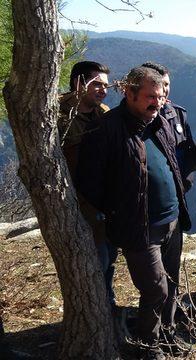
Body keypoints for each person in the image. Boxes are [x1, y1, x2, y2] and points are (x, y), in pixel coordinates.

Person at [76, 66, 191, 359]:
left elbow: (173, 163)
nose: (158, 102)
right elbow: (89, 183)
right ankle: (147, 346)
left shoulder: (159, 122)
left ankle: (166, 335)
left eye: (162, 96)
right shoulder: (106, 129)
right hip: (139, 227)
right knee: (156, 290)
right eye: (150, 96)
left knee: (171, 285)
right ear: (129, 93)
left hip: (172, 220)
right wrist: (119, 208)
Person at [57, 61, 118, 308]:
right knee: (98, 257)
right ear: (78, 83)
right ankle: (94, 305)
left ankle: (106, 299)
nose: (103, 90)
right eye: (97, 85)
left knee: (110, 253)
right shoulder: (58, 116)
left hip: (103, 197)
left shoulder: (102, 113)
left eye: (106, 86)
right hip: (77, 200)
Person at [141, 62, 196, 191]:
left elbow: (189, 153)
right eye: (160, 84)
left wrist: (187, 181)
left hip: (178, 192)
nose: (164, 89)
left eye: (167, 84)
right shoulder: (138, 116)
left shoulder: (179, 114)